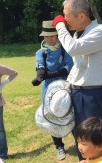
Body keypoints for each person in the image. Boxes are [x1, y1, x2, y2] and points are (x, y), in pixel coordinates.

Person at [52, 0, 102, 162]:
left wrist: (59, 26)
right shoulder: (79, 34)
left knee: (97, 140)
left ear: (81, 15)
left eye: (66, 15)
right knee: (82, 141)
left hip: (92, 95)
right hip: (78, 93)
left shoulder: (99, 31)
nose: (64, 20)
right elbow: (78, 67)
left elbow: (72, 48)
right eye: (62, 18)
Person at [32, 20, 73, 160]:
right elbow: (40, 66)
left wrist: (53, 74)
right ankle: (59, 146)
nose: (49, 39)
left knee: (71, 114)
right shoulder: (41, 52)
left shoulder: (64, 49)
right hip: (48, 90)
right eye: (46, 36)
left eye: (52, 36)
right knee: (52, 117)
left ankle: (80, 140)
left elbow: (69, 66)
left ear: (57, 36)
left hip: (65, 88)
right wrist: (40, 76)